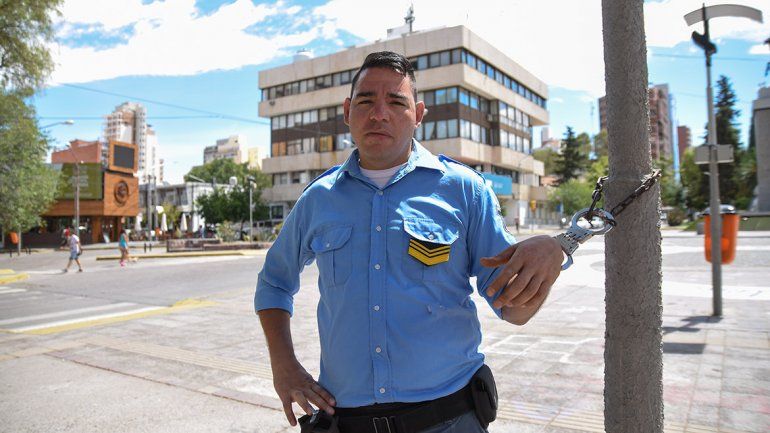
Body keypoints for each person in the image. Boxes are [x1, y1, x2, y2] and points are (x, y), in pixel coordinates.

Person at [255, 51, 564, 432]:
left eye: (396, 102)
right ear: (348, 111)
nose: (379, 113)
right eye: (366, 101)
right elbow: (273, 283)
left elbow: (513, 309)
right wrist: (283, 366)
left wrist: (551, 255)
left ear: (418, 114)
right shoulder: (318, 199)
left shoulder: (465, 191)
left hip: (450, 419)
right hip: (348, 422)